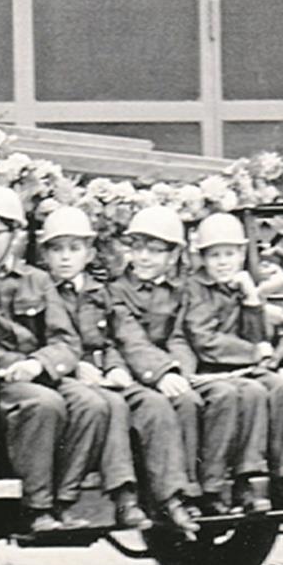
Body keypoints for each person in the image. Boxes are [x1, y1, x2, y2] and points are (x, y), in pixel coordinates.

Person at [0, 187, 150, 533]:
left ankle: (65, 502)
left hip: (40, 372)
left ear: (14, 236)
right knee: (45, 404)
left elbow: (66, 340)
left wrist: (39, 363)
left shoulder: (36, 280)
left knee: (94, 404)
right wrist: (15, 364)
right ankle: (36, 507)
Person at [36, 206, 198, 534]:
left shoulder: (100, 291)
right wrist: (75, 367)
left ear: (90, 252)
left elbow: (115, 336)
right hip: (64, 377)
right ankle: (124, 497)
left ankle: (172, 497)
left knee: (153, 404)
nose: (66, 258)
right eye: (57, 249)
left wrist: (115, 368)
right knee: (114, 406)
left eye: (74, 248)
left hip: (106, 374)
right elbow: (45, 341)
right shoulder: (40, 289)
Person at [107, 207, 251, 515]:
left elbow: (179, 336)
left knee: (207, 397)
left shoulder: (182, 289)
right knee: (177, 402)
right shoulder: (117, 290)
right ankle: (178, 494)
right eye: (137, 248)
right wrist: (162, 373)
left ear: (173, 256)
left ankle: (204, 488)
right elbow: (129, 338)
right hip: (136, 372)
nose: (144, 257)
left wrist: (180, 370)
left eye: (155, 251)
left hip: (172, 371)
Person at [175, 213, 283, 513]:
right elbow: (204, 340)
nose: (223, 262)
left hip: (242, 369)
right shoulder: (195, 288)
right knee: (251, 393)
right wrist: (254, 353)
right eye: (215, 255)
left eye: (230, 254)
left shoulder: (240, 285)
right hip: (211, 370)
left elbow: (259, 337)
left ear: (242, 254)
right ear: (203, 258)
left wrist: (252, 299)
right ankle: (245, 480)